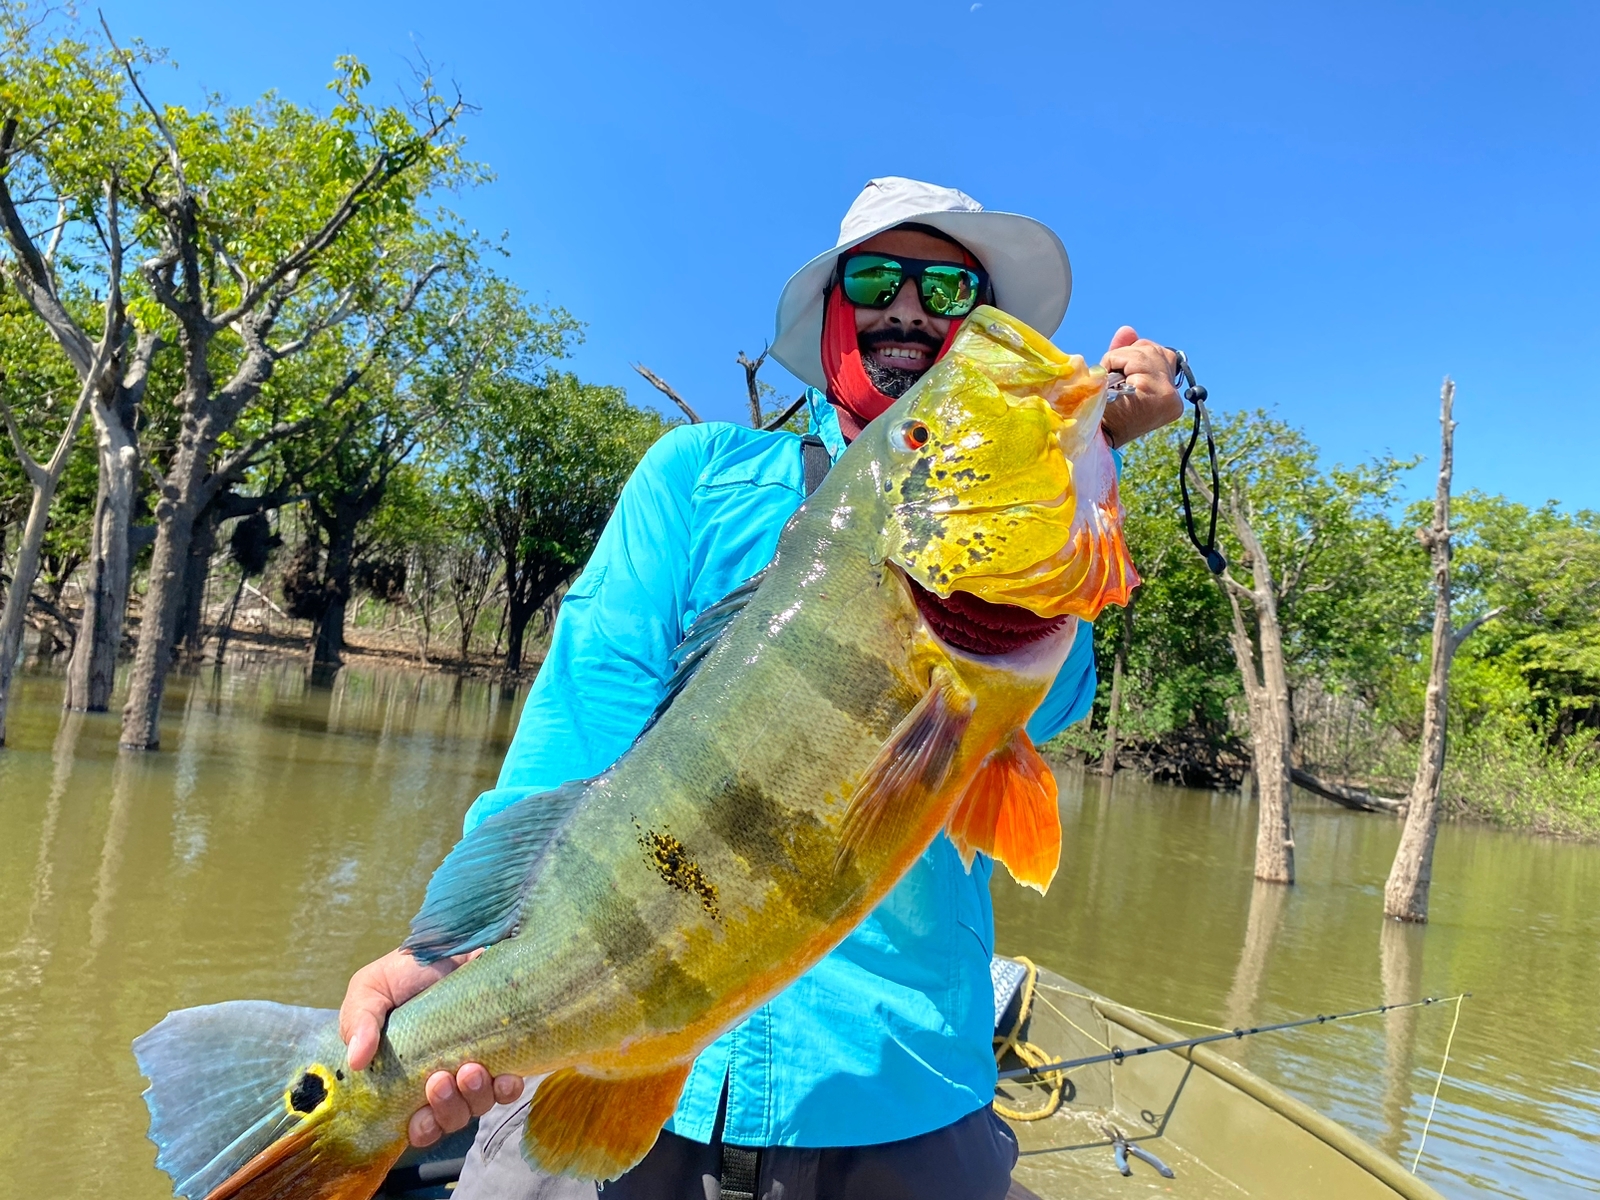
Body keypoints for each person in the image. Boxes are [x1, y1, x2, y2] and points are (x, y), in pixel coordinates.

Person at [338, 177, 1183, 1199]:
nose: (908, 307)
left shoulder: (1033, 589)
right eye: (876, 279)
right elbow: (576, 733)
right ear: (832, 316)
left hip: (897, 1085)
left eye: (949, 291)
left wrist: (1086, 450)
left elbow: (1033, 713)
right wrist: (449, 960)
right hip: (605, 1063)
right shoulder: (694, 476)